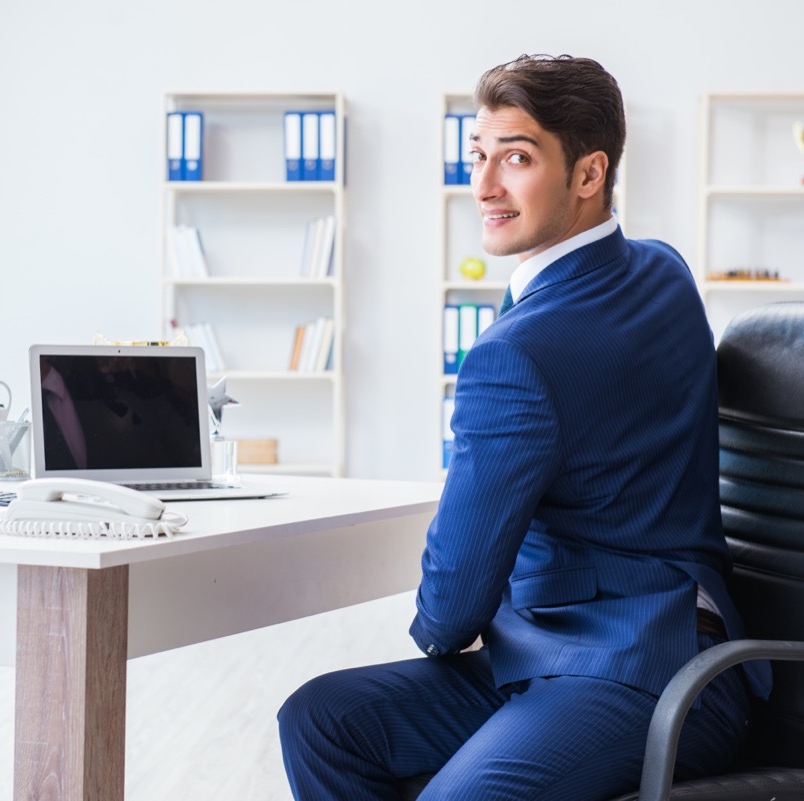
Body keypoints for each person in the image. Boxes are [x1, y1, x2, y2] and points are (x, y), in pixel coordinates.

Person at [277, 54, 771, 801]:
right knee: (322, 718)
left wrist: (439, 633)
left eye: (516, 157)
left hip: (644, 673)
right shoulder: (662, 271)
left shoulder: (515, 352)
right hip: (595, 647)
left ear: (587, 174)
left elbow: (455, 599)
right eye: (478, 155)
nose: (483, 185)